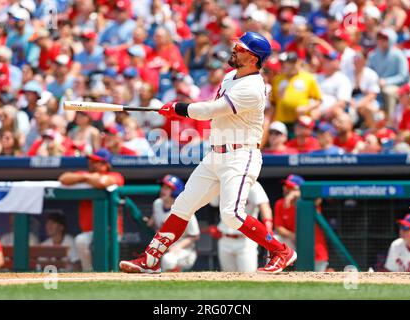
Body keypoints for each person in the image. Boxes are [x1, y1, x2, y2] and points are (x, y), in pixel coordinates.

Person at [119, 31, 297, 274]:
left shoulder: (253, 87)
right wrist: (178, 110)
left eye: (241, 48)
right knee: (182, 205)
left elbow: (211, 110)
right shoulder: (230, 77)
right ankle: (150, 259)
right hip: (216, 155)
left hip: (240, 155)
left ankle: (281, 252)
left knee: (232, 214)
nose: (235, 49)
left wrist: (178, 108)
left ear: (254, 58)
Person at [58, 148, 125, 271]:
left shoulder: (116, 176)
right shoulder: (84, 175)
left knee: (108, 259)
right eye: (91, 160)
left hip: (111, 230)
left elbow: (102, 182)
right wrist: (87, 177)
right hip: (89, 231)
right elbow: (64, 178)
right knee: (81, 241)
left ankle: (111, 273)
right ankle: (88, 273)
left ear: (106, 165)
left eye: (96, 161)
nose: (91, 163)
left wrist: (85, 178)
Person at [208, 181, 273, 272]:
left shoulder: (253, 185)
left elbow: (264, 206)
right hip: (225, 238)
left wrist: (268, 224)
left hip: (247, 240)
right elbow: (212, 205)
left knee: (248, 274)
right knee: (227, 277)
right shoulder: (222, 184)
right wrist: (212, 224)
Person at [273, 175, 329, 272]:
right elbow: (279, 228)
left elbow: (318, 198)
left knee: (317, 281)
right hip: (295, 245)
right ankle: (273, 267)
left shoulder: (310, 202)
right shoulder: (280, 204)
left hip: (315, 251)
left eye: (290, 187)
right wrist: (295, 237)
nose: (286, 189)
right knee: (275, 239)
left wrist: (299, 194)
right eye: (285, 186)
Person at [145, 175, 200, 272]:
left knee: (168, 260)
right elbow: (155, 220)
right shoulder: (157, 203)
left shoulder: (185, 209)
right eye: (163, 187)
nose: (163, 190)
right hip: (163, 249)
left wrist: (177, 247)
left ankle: (174, 284)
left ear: (175, 191)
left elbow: (195, 235)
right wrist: (149, 222)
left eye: (167, 188)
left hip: (184, 250)